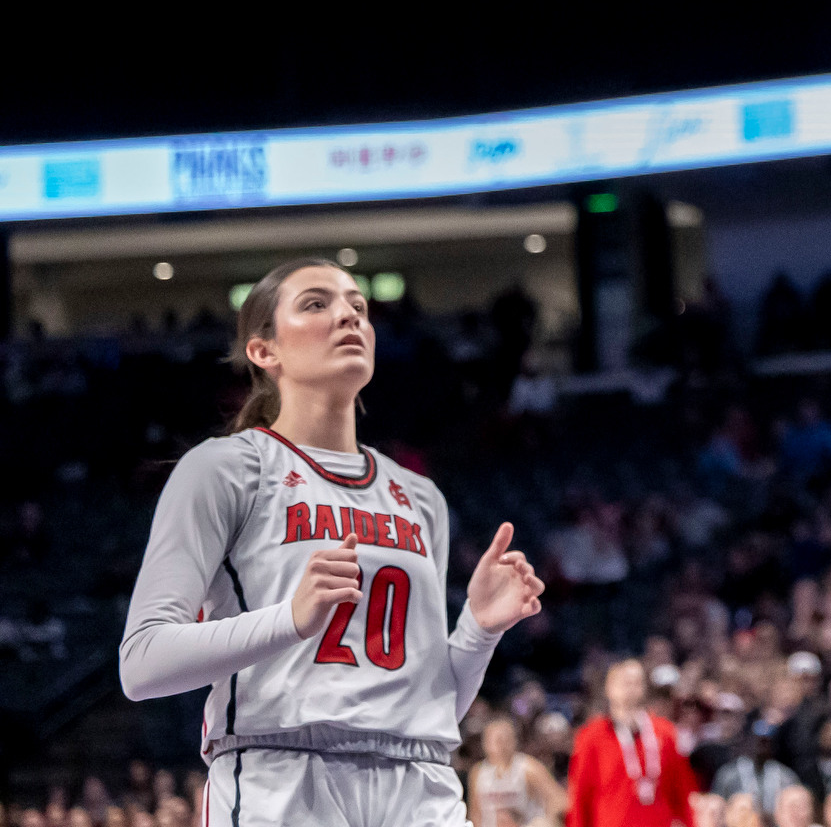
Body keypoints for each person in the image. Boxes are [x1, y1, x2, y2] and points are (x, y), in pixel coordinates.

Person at [118, 259, 546, 826]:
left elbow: (426, 703)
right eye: (317, 304)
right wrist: (289, 619)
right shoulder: (224, 469)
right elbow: (142, 663)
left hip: (421, 783)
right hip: (282, 777)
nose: (347, 315)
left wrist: (478, 631)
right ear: (264, 351)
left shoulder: (420, 496)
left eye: (358, 307)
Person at [568, 658, 702, 826]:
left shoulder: (665, 733)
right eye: (625, 682)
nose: (631, 689)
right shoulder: (592, 737)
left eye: (637, 682)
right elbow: (580, 796)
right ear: (609, 688)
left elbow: (682, 791)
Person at [471, 715, 569, 826]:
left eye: (505, 739)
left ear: (514, 741)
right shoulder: (478, 772)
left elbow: (560, 801)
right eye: (497, 740)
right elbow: (475, 814)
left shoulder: (528, 768)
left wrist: (547, 820)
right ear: (485, 743)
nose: (501, 745)